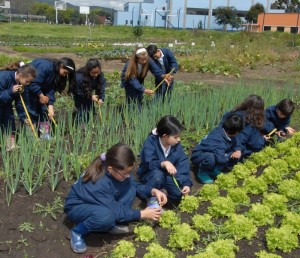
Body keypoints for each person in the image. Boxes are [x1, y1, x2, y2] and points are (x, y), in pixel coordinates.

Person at [64, 143, 167, 254]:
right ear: (110, 169)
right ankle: (78, 232)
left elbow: (134, 184)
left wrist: (152, 191)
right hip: (78, 206)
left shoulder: (117, 170)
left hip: (101, 201)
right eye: (125, 173)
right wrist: (142, 214)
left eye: (129, 172)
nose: (128, 176)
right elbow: (114, 209)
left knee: (131, 189)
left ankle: (112, 223)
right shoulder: (99, 183)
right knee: (105, 217)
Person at [16, 57, 75, 139]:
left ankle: (44, 135)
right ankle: (31, 138)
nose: (65, 75)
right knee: (30, 113)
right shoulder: (45, 66)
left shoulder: (55, 72)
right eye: (65, 72)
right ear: (61, 66)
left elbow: (51, 89)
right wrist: (41, 95)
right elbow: (33, 83)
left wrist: (50, 106)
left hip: (39, 90)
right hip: (28, 90)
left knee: (44, 111)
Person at [137, 115, 192, 203]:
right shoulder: (151, 142)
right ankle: (150, 198)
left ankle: (163, 192)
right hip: (150, 174)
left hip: (167, 176)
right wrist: (163, 163)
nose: (179, 139)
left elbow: (182, 164)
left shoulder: (176, 146)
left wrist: (186, 184)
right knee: (157, 176)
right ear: (165, 136)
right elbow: (148, 163)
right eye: (175, 137)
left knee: (178, 195)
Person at [191, 113, 245, 184]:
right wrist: (231, 154)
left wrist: (238, 150)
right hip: (198, 155)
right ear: (235, 132)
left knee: (235, 151)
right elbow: (221, 159)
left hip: (213, 151)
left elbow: (236, 140)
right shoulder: (218, 141)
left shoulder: (224, 129)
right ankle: (203, 173)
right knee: (211, 158)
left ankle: (213, 169)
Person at [0, 62, 36, 151]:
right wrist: (10, 91)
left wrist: (24, 117)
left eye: (30, 82)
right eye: (27, 81)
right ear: (21, 75)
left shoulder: (22, 85)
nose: (28, 84)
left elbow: (21, 103)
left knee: (10, 122)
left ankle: (10, 146)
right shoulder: (3, 77)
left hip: (6, 105)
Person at [223, 95, 270, 160]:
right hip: (235, 153)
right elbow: (255, 144)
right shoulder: (252, 122)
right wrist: (263, 140)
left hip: (222, 146)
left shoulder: (232, 114)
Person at [72, 58, 106, 123]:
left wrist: (101, 98)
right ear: (88, 71)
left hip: (88, 92)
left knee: (90, 109)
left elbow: (102, 87)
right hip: (79, 94)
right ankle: (80, 123)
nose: (96, 75)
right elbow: (78, 91)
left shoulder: (100, 76)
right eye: (93, 73)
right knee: (81, 109)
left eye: (97, 72)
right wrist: (90, 96)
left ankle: (89, 122)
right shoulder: (79, 77)